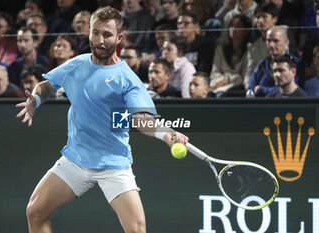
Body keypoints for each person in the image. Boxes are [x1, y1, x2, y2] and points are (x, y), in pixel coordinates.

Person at [15, 6, 188, 233]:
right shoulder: (76, 64)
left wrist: (166, 134)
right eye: (95, 33)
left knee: (137, 230)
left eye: (107, 34)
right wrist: (35, 100)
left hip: (113, 163)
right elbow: (47, 85)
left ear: (119, 38)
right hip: (76, 159)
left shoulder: (128, 80)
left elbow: (141, 119)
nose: (100, 40)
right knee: (35, 211)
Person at [247, 26, 306, 97]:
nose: (271, 45)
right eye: (268, 41)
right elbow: (250, 90)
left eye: (276, 41)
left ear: (286, 41)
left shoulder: (297, 64)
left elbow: (291, 89)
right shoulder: (261, 65)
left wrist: (262, 90)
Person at [210, 14, 252, 97]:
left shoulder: (250, 50)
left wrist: (228, 80)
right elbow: (214, 73)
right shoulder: (220, 49)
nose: (233, 29)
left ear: (245, 31)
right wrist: (224, 81)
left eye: (238, 26)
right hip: (219, 85)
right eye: (232, 25)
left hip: (238, 88)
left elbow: (244, 77)